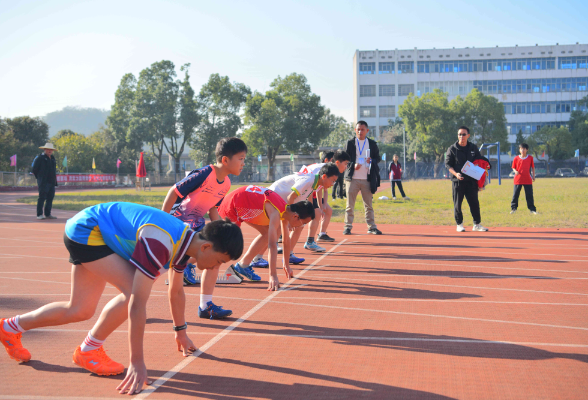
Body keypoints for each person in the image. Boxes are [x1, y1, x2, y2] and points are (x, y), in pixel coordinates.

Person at [0, 202, 243, 395]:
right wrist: (137, 361)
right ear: (206, 247)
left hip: (92, 228)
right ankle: (89, 351)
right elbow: (137, 303)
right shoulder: (161, 243)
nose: (215, 269)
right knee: (132, 294)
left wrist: (180, 331)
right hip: (89, 230)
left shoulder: (186, 244)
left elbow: (176, 291)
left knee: (79, 309)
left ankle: (10, 327)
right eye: (219, 262)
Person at [161, 137, 247, 320]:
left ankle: (205, 305)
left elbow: (212, 208)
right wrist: (162, 221)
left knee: (216, 254)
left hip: (196, 225)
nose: (243, 164)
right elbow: (173, 192)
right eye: (240, 159)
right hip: (178, 222)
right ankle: (133, 299)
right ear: (225, 160)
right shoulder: (204, 173)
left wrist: (221, 231)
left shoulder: (226, 184)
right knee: (160, 263)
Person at [218, 185, 315, 291]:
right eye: (303, 223)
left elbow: (286, 241)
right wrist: (272, 276)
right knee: (227, 245)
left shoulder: (285, 210)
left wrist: (286, 265)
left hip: (242, 202)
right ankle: (202, 261)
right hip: (231, 204)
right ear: (295, 216)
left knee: (271, 232)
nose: (301, 226)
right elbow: (272, 245)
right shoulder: (276, 213)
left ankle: (243, 266)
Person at [268, 163, 339, 260]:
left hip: (283, 201)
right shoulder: (308, 180)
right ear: (324, 176)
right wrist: (289, 218)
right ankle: (257, 258)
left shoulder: (315, 184)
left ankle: (289, 255)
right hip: (272, 198)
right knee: (277, 229)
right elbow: (291, 197)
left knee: (299, 225)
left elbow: (308, 198)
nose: (332, 184)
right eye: (333, 181)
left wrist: (309, 213)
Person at [445, 126, 490, 232]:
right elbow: (448, 165)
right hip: (458, 181)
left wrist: (484, 170)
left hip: (471, 181)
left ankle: (477, 224)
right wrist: (456, 174)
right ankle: (459, 224)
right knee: (457, 203)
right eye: (459, 134)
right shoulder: (452, 149)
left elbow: (479, 161)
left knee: (474, 203)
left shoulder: (473, 148)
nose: (461, 136)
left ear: (468, 135)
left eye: (464, 134)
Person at [299, 150, 350, 244]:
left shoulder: (331, 170)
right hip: (302, 190)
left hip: (310, 190)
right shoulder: (325, 169)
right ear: (337, 162)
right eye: (346, 163)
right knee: (316, 212)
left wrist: (324, 205)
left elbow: (324, 189)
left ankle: (321, 234)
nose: (347, 167)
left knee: (327, 210)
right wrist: (320, 206)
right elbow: (318, 189)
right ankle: (309, 241)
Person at [343, 121, 382, 235]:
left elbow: (378, 158)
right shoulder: (350, 143)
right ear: (355, 130)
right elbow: (344, 159)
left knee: (368, 205)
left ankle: (371, 227)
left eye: (362, 129)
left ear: (367, 131)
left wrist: (372, 161)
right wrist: (352, 165)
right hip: (352, 178)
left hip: (367, 179)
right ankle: (348, 226)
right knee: (349, 205)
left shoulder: (372, 144)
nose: (360, 131)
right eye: (358, 129)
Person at [32, 142, 58, 220]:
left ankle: (48, 214)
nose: (50, 151)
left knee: (50, 198)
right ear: (45, 149)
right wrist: (40, 178)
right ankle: (39, 214)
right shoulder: (40, 158)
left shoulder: (52, 158)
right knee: (42, 197)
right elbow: (34, 169)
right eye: (48, 149)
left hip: (51, 182)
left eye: (51, 150)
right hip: (43, 182)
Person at [510, 143, 537, 215]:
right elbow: (513, 167)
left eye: (524, 148)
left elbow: (533, 167)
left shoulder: (530, 158)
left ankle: (532, 209)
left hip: (527, 179)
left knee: (529, 195)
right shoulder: (516, 158)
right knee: (515, 195)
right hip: (518, 180)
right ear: (519, 150)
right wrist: (515, 171)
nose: (522, 150)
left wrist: (533, 176)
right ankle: (513, 209)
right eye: (521, 149)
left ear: (527, 149)